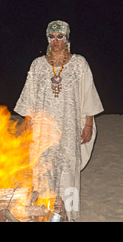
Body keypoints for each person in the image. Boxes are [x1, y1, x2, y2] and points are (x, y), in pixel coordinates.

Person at [14, 20, 103, 221]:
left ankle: (68, 213)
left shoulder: (79, 63)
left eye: (60, 37)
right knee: (44, 165)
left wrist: (88, 124)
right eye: (51, 37)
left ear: (67, 39)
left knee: (67, 167)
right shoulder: (37, 65)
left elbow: (88, 94)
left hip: (69, 126)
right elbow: (30, 95)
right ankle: (44, 212)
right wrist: (28, 121)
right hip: (44, 128)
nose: (56, 41)